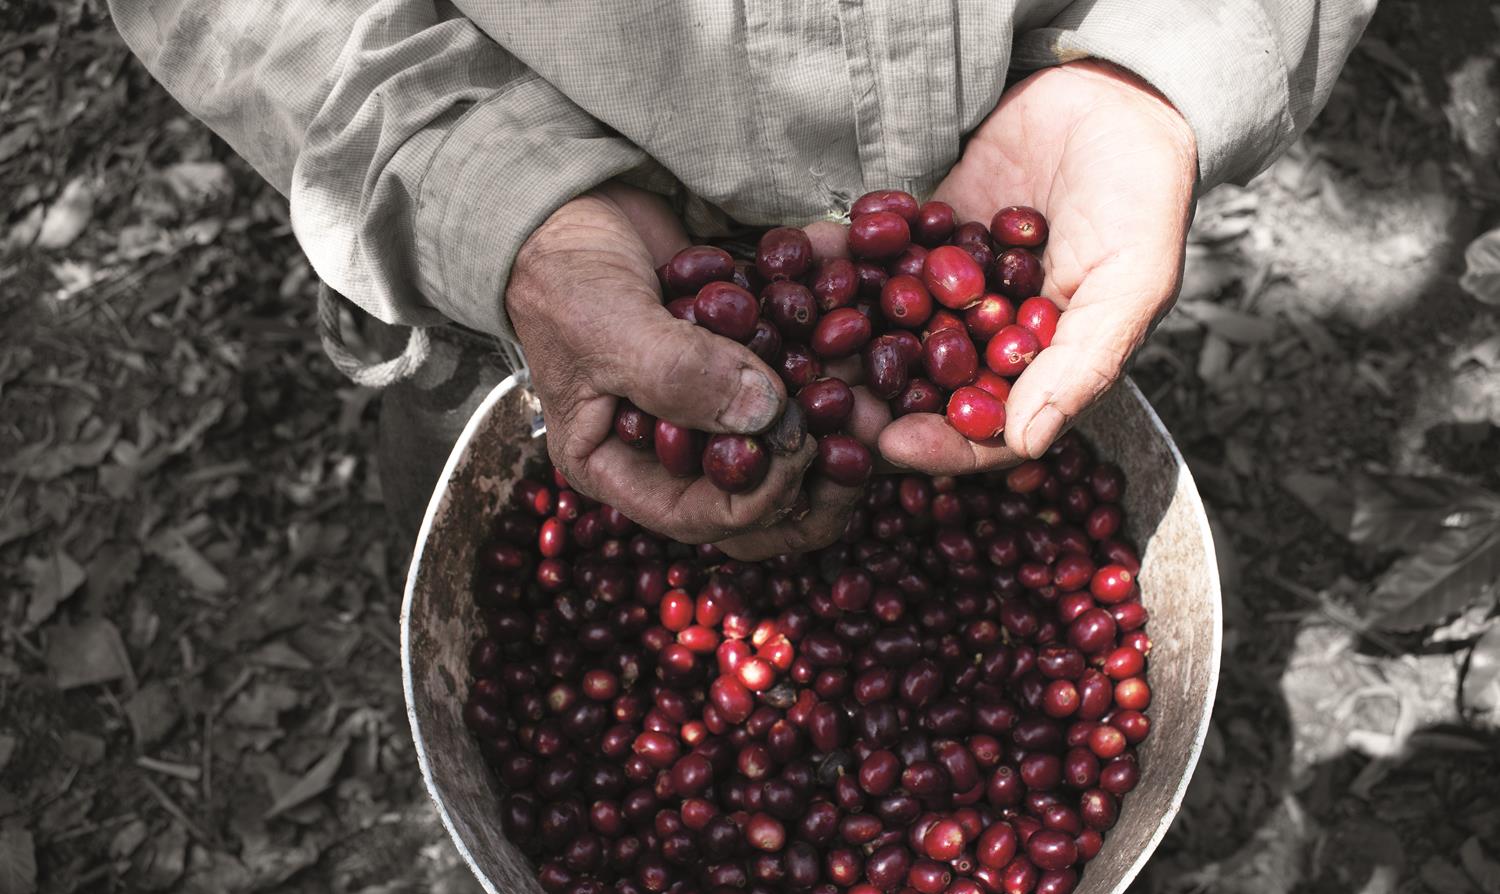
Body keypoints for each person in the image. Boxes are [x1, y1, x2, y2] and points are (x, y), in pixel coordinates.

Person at [108, 0, 1374, 559]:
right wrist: (478, 193)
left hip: (1019, 136)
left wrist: (1151, 69)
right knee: (524, 513)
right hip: (530, 272)